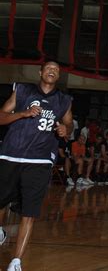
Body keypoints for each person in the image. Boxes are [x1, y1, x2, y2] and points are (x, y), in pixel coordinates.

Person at [0, 61, 73, 271]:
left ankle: (16, 262)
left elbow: (69, 124)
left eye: (56, 70)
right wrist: (22, 113)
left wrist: (65, 131)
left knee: (29, 212)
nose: (52, 71)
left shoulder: (64, 100)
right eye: (49, 68)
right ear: (41, 72)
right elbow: (1, 116)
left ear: (58, 76)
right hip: (11, 155)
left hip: (40, 161)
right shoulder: (23, 91)